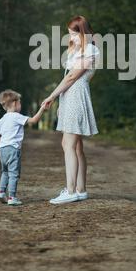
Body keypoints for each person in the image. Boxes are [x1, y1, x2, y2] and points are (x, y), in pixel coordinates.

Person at [41, 15, 100, 205]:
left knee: (67, 144)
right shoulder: (78, 50)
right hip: (70, 97)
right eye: (70, 33)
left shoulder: (90, 49)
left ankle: (71, 190)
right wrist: (60, 101)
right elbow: (67, 78)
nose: (71, 37)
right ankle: (81, 189)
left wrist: (51, 96)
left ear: (83, 32)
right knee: (76, 146)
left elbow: (72, 77)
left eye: (74, 33)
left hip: (76, 96)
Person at [0, 89, 46, 206]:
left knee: (5, 171)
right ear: (14, 103)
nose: (20, 105)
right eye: (20, 103)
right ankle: (12, 197)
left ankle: (1, 192)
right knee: (13, 173)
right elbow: (33, 120)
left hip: (2, 149)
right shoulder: (17, 116)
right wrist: (42, 109)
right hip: (12, 149)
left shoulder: (2, 120)